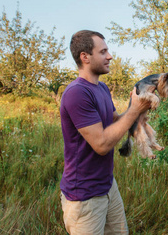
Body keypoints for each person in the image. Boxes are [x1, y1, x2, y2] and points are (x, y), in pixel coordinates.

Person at [60, 30, 151, 234]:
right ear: (85, 57)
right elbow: (101, 145)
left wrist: (139, 112)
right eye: (103, 51)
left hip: (107, 185)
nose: (110, 56)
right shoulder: (77, 93)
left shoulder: (100, 88)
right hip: (84, 196)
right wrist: (134, 110)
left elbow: (116, 121)